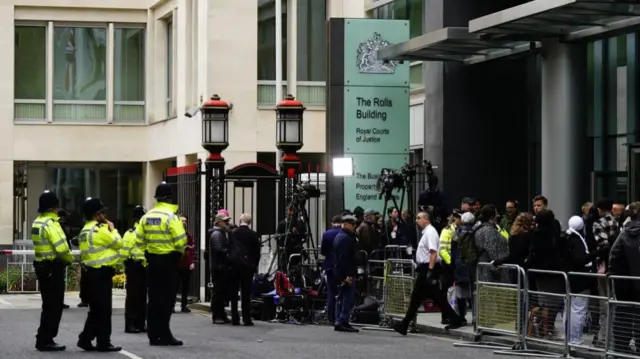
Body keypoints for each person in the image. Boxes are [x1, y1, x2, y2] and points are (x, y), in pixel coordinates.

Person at [393, 212, 464, 336]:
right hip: (426, 268)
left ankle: (404, 324)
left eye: (419, 218)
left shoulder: (430, 232)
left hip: (428, 268)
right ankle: (404, 324)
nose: (417, 221)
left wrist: (430, 271)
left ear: (426, 219)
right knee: (426, 297)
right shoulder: (426, 232)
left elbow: (433, 252)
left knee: (424, 297)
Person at [137, 182, 187, 346]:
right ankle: (165, 334)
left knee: (153, 299)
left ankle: (153, 335)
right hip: (168, 261)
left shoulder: (146, 217)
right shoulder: (172, 217)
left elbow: (139, 241)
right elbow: (181, 241)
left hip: (152, 261)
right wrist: (177, 255)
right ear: (169, 198)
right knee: (167, 300)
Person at [76, 197, 123, 352]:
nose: (105, 215)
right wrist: (113, 229)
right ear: (97, 214)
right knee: (104, 310)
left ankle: (85, 339)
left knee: (96, 310)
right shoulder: (100, 229)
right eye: (103, 212)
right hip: (101, 273)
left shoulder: (85, 230)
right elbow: (119, 243)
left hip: (90, 273)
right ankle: (103, 342)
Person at [32, 190, 74, 352]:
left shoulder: (37, 222)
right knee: (54, 307)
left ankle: (43, 338)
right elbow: (62, 248)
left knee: (48, 305)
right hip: (53, 269)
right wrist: (70, 260)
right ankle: (46, 339)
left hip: (43, 268)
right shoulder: (51, 224)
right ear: (53, 208)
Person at [227, 213, 261, 326]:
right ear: (250, 222)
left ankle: (235, 318)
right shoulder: (253, 234)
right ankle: (246, 318)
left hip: (234, 265)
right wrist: (254, 265)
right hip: (248, 266)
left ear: (240, 220)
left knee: (233, 291)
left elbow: (229, 248)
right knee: (246, 293)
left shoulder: (233, 233)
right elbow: (257, 253)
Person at [121, 205, 147, 334]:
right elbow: (125, 251)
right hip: (134, 266)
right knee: (133, 297)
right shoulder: (131, 233)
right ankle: (130, 324)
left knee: (142, 297)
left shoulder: (145, 232)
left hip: (143, 266)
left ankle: (141, 323)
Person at [333, 213, 359, 333]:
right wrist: (346, 276)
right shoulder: (345, 238)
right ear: (347, 225)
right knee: (347, 298)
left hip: (342, 272)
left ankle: (342, 320)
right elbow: (344, 258)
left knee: (343, 297)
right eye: (353, 224)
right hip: (346, 273)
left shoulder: (342, 236)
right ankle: (341, 320)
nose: (355, 226)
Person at [210, 212, 232, 324]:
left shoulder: (221, 233)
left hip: (220, 266)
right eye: (225, 221)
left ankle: (221, 315)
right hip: (219, 267)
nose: (228, 222)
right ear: (218, 222)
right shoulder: (217, 234)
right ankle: (216, 315)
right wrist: (230, 251)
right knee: (218, 292)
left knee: (221, 292)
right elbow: (219, 249)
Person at [321, 215, 342, 324]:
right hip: (342, 266)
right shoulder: (344, 234)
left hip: (329, 264)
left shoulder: (326, 234)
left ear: (332, 223)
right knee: (343, 291)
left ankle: (331, 317)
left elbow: (323, 251)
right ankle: (341, 316)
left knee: (331, 291)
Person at [176, 215, 196, 313]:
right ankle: (171, 306)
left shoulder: (188, 235)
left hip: (186, 265)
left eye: (185, 221)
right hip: (176, 264)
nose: (184, 222)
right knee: (174, 286)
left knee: (185, 287)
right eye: (182, 221)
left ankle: (184, 306)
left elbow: (192, 250)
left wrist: (192, 262)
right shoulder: (174, 234)